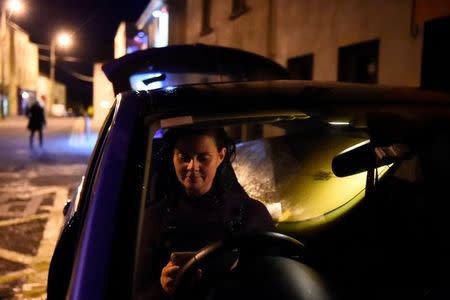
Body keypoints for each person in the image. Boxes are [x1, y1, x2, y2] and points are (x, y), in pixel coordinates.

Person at [138, 127, 275, 298]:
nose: (192, 166)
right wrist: (162, 287)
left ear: (220, 156)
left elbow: (276, 277)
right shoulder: (153, 219)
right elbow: (134, 291)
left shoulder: (250, 213)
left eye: (203, 158)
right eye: (184, 157)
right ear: (172, 157)